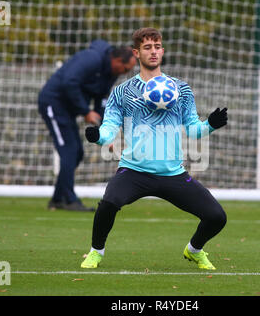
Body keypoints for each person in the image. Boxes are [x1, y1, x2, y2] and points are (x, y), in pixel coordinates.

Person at [82, 28, 228, 270]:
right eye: (147, 47)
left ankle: (194, 250)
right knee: (109, 203)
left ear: (163, 50)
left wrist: (210, 125)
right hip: (134, 170)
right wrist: (98, 137)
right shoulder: (122, 92)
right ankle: (96, 252)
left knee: (217, 217)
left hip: (172, 173)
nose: (153, 51)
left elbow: (192, 129)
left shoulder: (181, 89)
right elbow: (109, 128)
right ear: (136, 53)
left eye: (157, 46)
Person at [38, 40, 137, 212]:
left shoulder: (110, 73)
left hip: (67, 110)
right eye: (126, 69)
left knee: (77, 152)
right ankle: (69, 200)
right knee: (69, 150)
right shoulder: (91, 58)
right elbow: (69, 82)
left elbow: (102, 101)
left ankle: (58, 198)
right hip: (52, 104)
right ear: (118, 60)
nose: (125, 73)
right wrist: (85, 111)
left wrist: (106, 133)